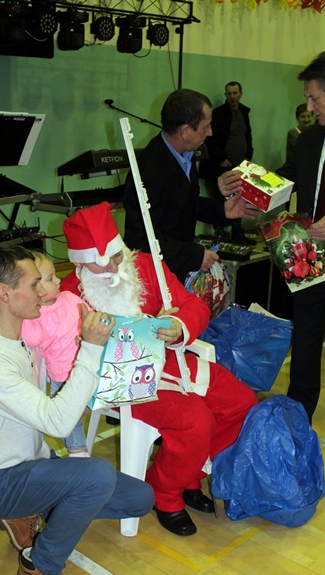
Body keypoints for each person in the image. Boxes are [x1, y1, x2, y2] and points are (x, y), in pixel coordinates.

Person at [0, 243, 154, 575]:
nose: (45, 291)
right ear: (4, 294)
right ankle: (38, 570)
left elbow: (64, 393)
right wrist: (90, 349)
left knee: (140, 499)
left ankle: (25, 511)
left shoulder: (25, 337)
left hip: (34, 465)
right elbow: (59, 421)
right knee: (96, 476)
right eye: (34, 285)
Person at [61, 202, 259, 537]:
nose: (113, 268)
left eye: (117, 256)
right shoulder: (69, 296)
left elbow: (193, 304)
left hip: (172, 362)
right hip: (121, 381)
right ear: (79, 263)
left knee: (242, 402)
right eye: (101, 263)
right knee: (196, 421)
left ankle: (189, 474)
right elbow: (67, 363)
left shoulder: (146, 265)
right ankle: (164, 493)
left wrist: (180, 325)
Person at [219, 51, 325, 439]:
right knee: (306, 338)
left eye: (315, 98)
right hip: (308, 255)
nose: (309, 107)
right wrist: (246, 193)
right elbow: (283, 182)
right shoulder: (310, 139)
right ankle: (298, 418)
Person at [123, 88, 259, 284]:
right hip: (156, 278)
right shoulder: (149, 169)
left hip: (177, 271)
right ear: (185, 131)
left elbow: (184, 203)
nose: (210, 132)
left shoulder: (185, 154)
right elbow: (141, 239)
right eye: (206, 126)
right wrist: (194, 255)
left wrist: (222, 210)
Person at [21, 251, 90, 457]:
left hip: (90, 366)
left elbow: (89, 315)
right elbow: (32, 339)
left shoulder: (70, 298)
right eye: (51, 278)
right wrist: (25, 314)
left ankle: (78, 410)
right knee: (68, 417)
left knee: (69, 412)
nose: (59, 280)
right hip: (63, 375)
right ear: (35, 289)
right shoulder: (35, 314)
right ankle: (78, 453)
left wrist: (87, 332)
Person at [199, 81, 256, 245]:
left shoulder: (243, 112)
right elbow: (211, 139)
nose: (232, 96)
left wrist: (248, 156)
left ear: (241, 94)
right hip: (223, 166)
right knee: (221, 200)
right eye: (229, 93)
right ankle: (221, 234)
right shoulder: (218, 114)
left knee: (240, 197)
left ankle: (238, 232)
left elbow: (247, 136)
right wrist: (221, 159)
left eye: (235, 93)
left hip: (240, 165)